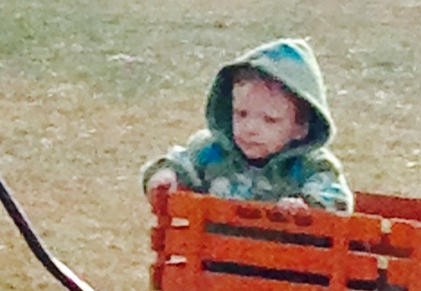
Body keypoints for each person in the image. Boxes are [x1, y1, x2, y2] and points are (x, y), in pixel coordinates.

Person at [142, 39, 352, 213]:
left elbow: (335, 199)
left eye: (269, 119)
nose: (250, 128)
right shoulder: (212, 151)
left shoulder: (311, 165)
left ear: (301, 128)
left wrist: (308, 206)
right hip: (212, 248)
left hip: (281, 250)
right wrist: (166, 175)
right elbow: (181, 162)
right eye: (241, 114)